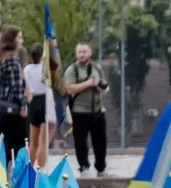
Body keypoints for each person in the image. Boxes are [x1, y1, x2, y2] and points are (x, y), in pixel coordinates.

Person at [62, 42, 109, 177]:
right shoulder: (72, 70)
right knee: (81, 142)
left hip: (98, 111)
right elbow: (69, 88)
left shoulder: (97, 68)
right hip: (79, 111)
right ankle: (84, 167)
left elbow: (105, 88)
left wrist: (100, 86)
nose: (82, 54)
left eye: (84, 51)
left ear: (90, 53)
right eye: (79, 52)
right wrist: (88, 83)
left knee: (100, 142)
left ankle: (101, 168)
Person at [0, 26, 29, 170]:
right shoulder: (13, 61)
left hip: (3, 112)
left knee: (4, 145)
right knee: (18, 147)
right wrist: (23, 106)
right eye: (20, 37)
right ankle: (15, 179)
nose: (22, 40)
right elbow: (17, 88)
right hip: (14, 112)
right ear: (13, 40)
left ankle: (0, 172)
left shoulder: (1, 60)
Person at [23, 42, 53, 168]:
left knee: (33, 141)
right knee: (43, 141)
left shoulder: (27, 69)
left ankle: (30, 168)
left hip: (33, 102)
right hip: (45, 100)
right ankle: (41, 169)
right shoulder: (45, 69)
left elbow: (27, 89)